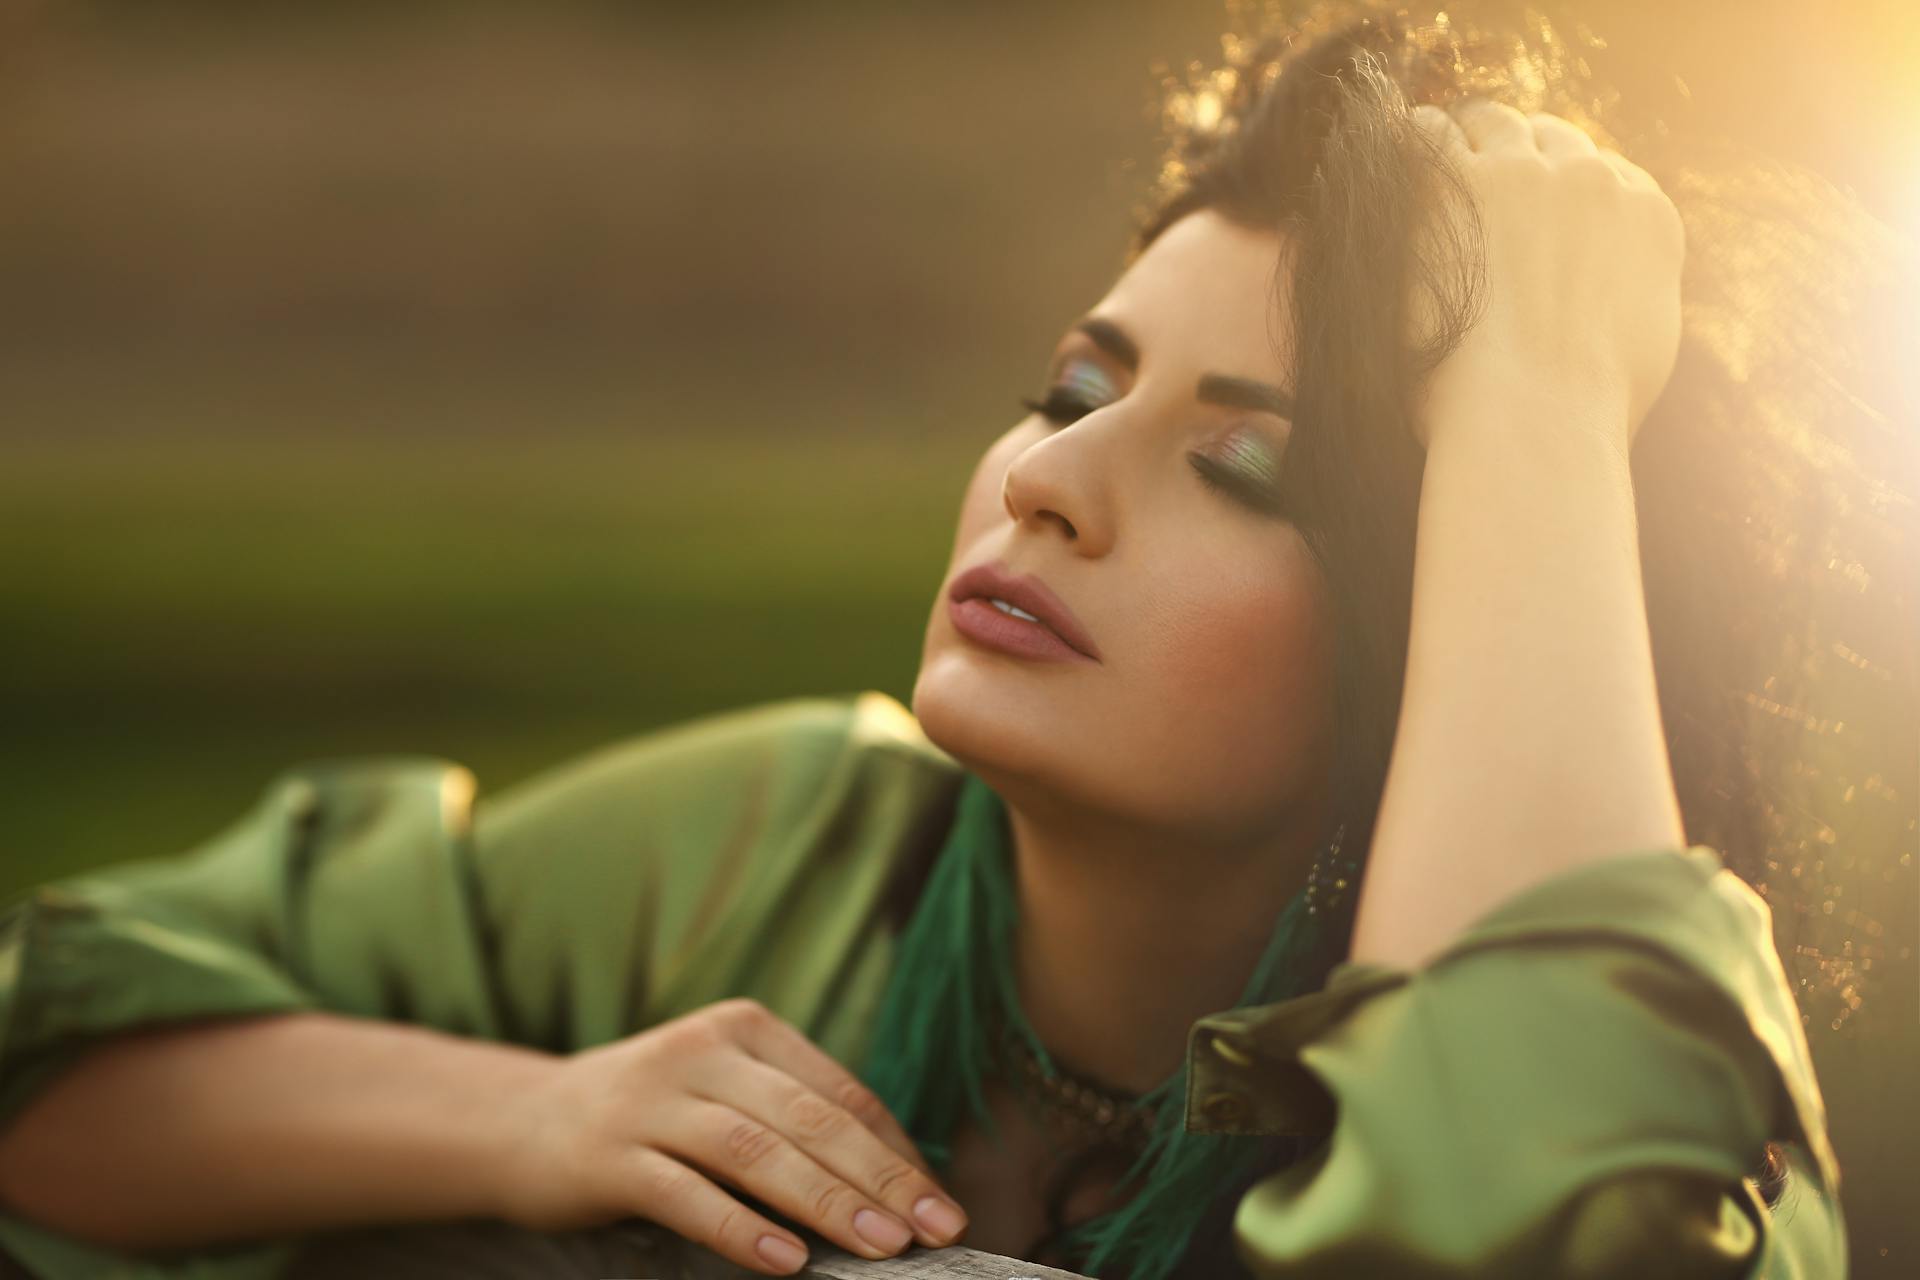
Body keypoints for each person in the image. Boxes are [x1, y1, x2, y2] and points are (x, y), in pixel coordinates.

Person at [0, 4, 1907, 1278]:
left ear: (1470, 632)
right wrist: (541, 1114)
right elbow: (55, 1049)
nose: (1054, 478)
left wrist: (1546, 390)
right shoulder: (785, 844)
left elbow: (1537, 1213)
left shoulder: (1679, 1128)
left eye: (1247, 466)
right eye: (1074, 382)